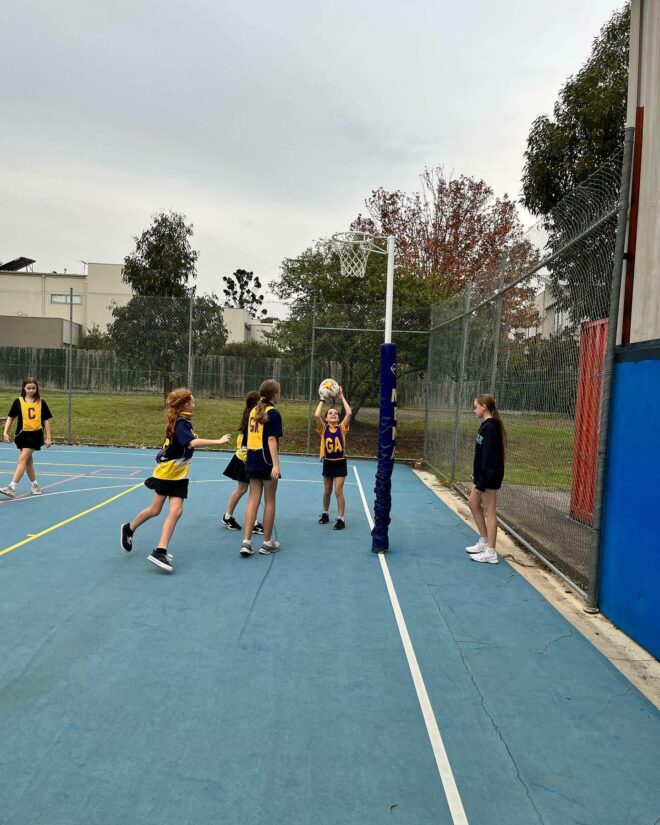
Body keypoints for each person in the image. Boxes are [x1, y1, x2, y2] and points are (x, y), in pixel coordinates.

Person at [120, 388, 230, 573]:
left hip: (179, 474)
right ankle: (129, 528)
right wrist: (218, 441)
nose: (195, 404)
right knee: (155, 510)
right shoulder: (181, 424)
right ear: (185, 404)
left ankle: (160, 550)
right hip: (167, 473)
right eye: (193, 401)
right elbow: (191, 443)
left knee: (176, 511)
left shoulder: (184, 422)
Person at [240, 379, 282, 557]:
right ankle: (266, 543)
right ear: (276, 395)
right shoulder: (273, 413)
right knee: (270, 500)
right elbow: (272, 440)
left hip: (252, 458)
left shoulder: (254, 411)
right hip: (266, 460)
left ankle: (246, 542)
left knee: (252, 499)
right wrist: (276, 464)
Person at [466, 394, 506, 564]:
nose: (474, 410)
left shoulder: (490, 427)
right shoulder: (486, 426)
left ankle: (491, 551)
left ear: (484, 407)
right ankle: (483, 540)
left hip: (489, 477)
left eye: (476, 406)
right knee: (473, 503)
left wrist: (482, 480)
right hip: (482, 476)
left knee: (489, 510)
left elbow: (490, 458)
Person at [1, 377, 53, 498]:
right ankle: (35, 485)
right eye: (28, 388)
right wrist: (5, 432)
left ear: (37, 388)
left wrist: (48, 437)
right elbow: (10, 417)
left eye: (33, 388)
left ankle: (12, 487)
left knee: (22, 459)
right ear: (24, 388)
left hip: (35, 435)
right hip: (22, 435)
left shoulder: (41, 402)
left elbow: (46, 421)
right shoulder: (18, 401)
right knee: (28, 462)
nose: (31, 390)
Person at [221, 390, 264, 534]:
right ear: (257, 402)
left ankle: (228, 516)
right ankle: (253, 523)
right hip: (247, 457)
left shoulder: (249, 414)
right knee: (253, 492)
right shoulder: (254, 416)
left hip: (244, 455)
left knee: (243, 489)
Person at [315, 386, 352, 529]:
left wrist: (342, 397)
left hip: (340, 463)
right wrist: (322, 400)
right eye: (330, 413)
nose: (333, 415)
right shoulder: (323, 429)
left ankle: (341, 518)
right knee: (327, 490)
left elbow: (349, 413)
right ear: (326, 418)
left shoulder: (342, 428)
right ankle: (325, 513)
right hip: (328, 463)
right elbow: (317, 415)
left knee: (338, 491)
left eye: (335, 413)